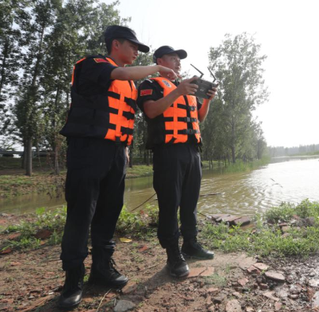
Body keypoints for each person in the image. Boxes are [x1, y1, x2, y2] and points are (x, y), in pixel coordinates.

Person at [57, 26, 177, 309]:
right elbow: (120, 74)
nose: (137, 52)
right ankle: (73, 279)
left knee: (109, 212)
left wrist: (125, 151)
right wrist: (157, 67)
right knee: (80, 214)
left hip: (116, 152)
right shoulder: (93, 64)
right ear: (115, 45)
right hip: (88, 149)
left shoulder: (133, 84)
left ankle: (101, 269)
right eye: (133, 46)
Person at [137, 45, 217, 278]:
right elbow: (151, 111)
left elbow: (199, 118)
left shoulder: (189, 90)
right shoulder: (150, 84)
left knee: (190, 202)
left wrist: (207, 100)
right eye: (173, 58)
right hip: (168, 152)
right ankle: (173, 255)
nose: (178, 62)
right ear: (160, 60)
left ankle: (190, 244)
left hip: (192, 151)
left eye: (179, 59)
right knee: (170, 204)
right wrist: (178, 91)